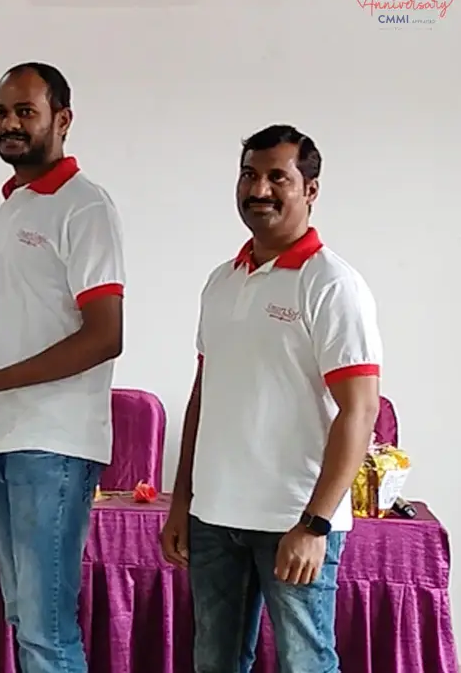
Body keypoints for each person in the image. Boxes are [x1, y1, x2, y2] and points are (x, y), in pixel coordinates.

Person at [159, 125, 381, 673]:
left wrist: (316, 525)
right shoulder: (221, 281)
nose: (259, 189)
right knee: (214, 662)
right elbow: (203, 396)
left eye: (277, 177)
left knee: (306, 663)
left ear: (310, 189)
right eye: (249, 175)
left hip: (294, 519)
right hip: (214, 517)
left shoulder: (331, 284)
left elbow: (360, 409)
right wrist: (182, 501)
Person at [0, 63, 125, 673]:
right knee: (24, 618)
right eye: (0, 112)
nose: (9, 124)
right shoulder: (13, 206)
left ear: (62, 120)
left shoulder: (84, 207)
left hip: (53, 443)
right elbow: (48, 323)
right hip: (5, 438)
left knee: (45, 629)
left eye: (25, 112)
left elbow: (104, 337)